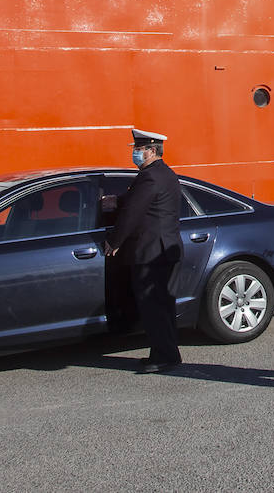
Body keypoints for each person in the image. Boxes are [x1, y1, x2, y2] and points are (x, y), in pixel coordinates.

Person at [106, 128, 183, 373]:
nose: (135, 154)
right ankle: (165, 352)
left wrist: (115, 241)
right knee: (164, 305)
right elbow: (139, 202)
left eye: (138, 150)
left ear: (151, 151)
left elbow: (132, 213)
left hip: (151, 251)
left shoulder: (149, 177)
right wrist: (116, 201)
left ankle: (165, 357)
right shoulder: (164, 174)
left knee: (153, 306)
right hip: (164, 248)